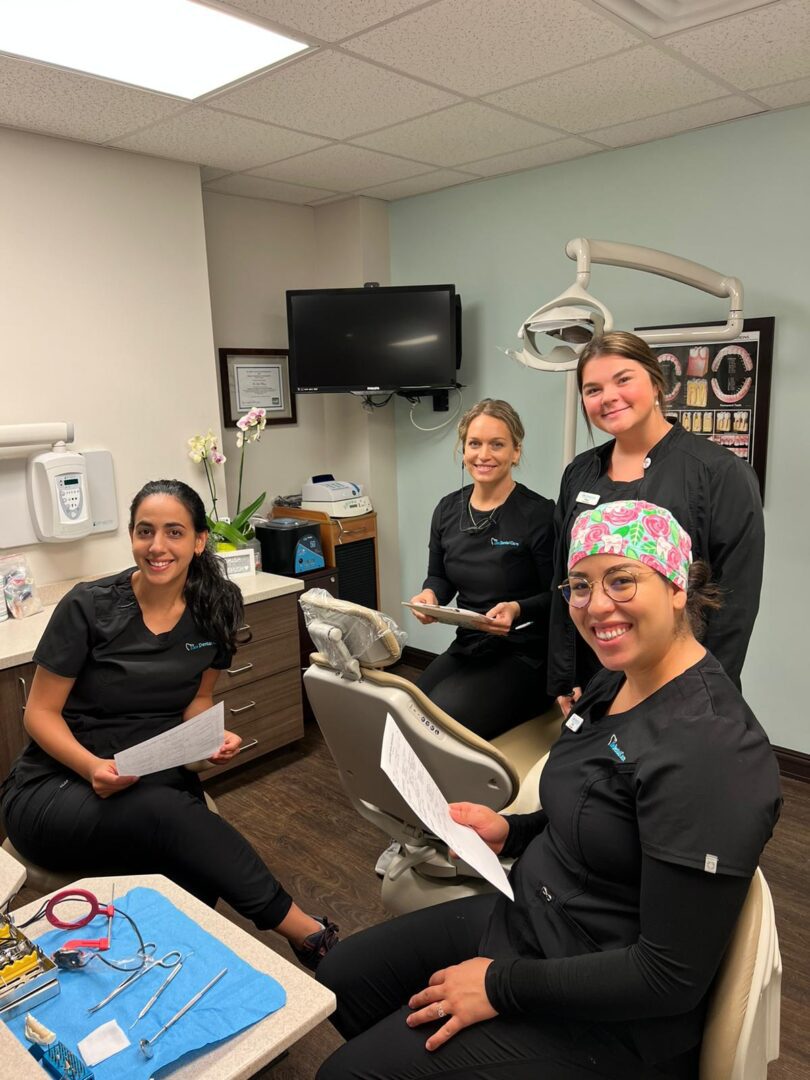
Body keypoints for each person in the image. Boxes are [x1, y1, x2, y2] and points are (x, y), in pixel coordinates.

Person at [314, 500, 781, 1080]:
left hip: (611, 1016)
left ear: (677, 586)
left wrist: (499, 985)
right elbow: (592, 808)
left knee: (345, 1074)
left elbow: (667, 979)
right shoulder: (615, 681)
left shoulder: (712, 752)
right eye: (580, 585)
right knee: (344, 977)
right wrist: (512, 828)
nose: (597, 605)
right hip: (531, 919)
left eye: (622, 580)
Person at [0, 479, 338, 971]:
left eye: (174, 532)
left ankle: (171, 976)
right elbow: (39, 713)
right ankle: (307, 933)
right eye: (145, 531)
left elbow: (199, 701)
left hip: (147, 773)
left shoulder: (215, 608)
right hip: (55, 786)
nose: (157, 547)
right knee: (173, 814)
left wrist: (210, 739)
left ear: (199, 540)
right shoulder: (89, 607)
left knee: (193, 866)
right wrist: (94, 766)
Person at [547, 331, 764, 701]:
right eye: (593, 389)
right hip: (592, 677)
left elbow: (734, 607)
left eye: (623, 379)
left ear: (656, 381)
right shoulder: (579, 473)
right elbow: (565, 583)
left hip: (676, 685)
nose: (608, 397)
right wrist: (564, 677)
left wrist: (702, 694)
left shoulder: (718, 473)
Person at [409, 399, 555, 740]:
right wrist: (430, 595)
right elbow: (439, 577)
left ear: (516, 452)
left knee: (443, 721)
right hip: (471, 643)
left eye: (497, 444)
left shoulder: (539, 514)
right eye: (474, 444)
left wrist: (518, 609)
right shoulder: (447, 509)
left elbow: (559, 594)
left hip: (525, 654)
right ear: (463, 450)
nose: (483, 454)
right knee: (410, 709)